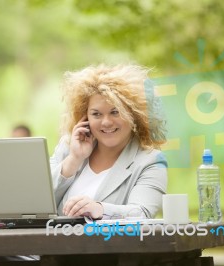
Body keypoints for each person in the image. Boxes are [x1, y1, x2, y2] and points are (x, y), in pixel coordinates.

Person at [50, 63, 168, 220]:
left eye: (115, 112)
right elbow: (36, 203)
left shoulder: (150, 161)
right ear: (85, 118)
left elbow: (142, 213)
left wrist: (100, 209)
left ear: (134, 115)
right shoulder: (68, 148)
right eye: (96, 114)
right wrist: (74, 160)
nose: (106, 122)